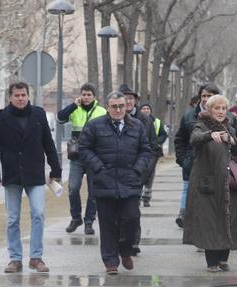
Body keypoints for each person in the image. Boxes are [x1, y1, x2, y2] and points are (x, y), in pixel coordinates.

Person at [0, 81, 62, 274]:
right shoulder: (1, 117)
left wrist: (56, 169)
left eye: (23, 95)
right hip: (12, 174)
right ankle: (15, 258)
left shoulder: (38, 114)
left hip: (34, 173)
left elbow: (48, 143)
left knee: (38, 213)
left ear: (28, 96)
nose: (21, 98)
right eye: (17, 95)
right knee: (12, 218)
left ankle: (36, 258)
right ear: (10, 97)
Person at [78, 91, 153, 274]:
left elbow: (145, 150)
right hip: (104, 182)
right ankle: (110, 260)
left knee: (131, 219)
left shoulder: (136, 126)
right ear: (107, 107)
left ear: (126, 107)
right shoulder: (95, 125)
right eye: (114, 107)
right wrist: (99, 168)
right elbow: (84, 148)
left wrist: (137, 170)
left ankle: (125, 251)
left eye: (121, 106)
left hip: (130, 181)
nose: (118, 110)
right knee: (107, 223)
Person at [183, 94, 237, 271]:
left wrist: (232, 141)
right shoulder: (201, 125)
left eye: (223, 108)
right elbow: (195, 139)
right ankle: (212, 262)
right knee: (209, 221)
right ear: (209, 110)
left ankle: (223, 258)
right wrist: (210, 135)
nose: (221, 112)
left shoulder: (229, 127)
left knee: (228, 219)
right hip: (207, 183)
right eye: (217, 108)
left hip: (227, 182)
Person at [57, 83, 106, 235]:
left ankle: (89, 221)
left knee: (93, 192)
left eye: (89, 95)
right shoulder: (75, 109)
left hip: (94, 156)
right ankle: (76, 218)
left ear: (94, 96)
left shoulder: (102, 111)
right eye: (83, 94)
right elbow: (60, 118)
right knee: (73, 188)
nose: (86, 97)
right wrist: (73, 105)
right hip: (76, 156)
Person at [118, 83, 160, 256]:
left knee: (132, 210)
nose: (128, 101)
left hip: (137, 173)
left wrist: (142, 170)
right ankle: (119, 240)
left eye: (131, 98)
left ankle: (133, 242)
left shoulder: (145, 120)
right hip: (115, 173)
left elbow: (152, 147)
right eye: (124, 98)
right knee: (117, 209)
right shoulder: (111, 118)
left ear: (135, 101)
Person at [174, 83, 222, 228]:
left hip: (215, 164)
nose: (206, 99)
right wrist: (182, 160)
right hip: (192, 162)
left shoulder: (227, 116)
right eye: (203, 96)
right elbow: (180, 139)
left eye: (209, 96)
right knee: (187, 189)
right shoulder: (188, 116)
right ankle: (183, 215)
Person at [139, 102, 169, 207]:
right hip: (140, 151)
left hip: (153, 152)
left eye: (148, 108)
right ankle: (137, 197)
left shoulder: (157, 121)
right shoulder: (136, 120)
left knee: (150, 175)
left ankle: (146, 198)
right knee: (139, 175)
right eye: (143, 108)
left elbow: (163, 135)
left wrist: (157, 142)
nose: (146, 110)